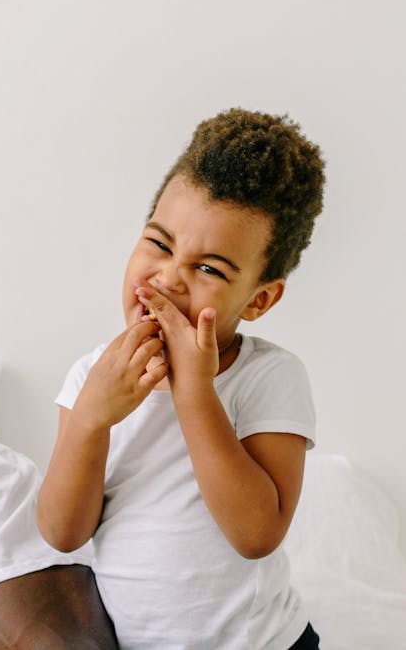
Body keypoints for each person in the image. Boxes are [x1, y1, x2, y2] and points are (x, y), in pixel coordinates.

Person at [37, 107, 325, 649]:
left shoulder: (269, 377)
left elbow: (257, 535)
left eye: (210, 268)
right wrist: (91, 420)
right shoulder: (91, 377)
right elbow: (62, 532)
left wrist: (196, 390)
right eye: (159, 245)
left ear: (259, 299)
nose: (168, 279)